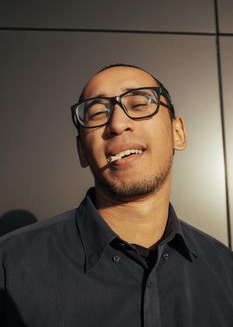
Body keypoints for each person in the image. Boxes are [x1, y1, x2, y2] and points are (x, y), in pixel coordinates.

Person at [0, 64, 233, 326]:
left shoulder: (224, 269)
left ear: (178, 133)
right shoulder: (9, 267)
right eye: (98, 112)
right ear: (81, 151)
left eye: (139, 104)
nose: (118, 124)